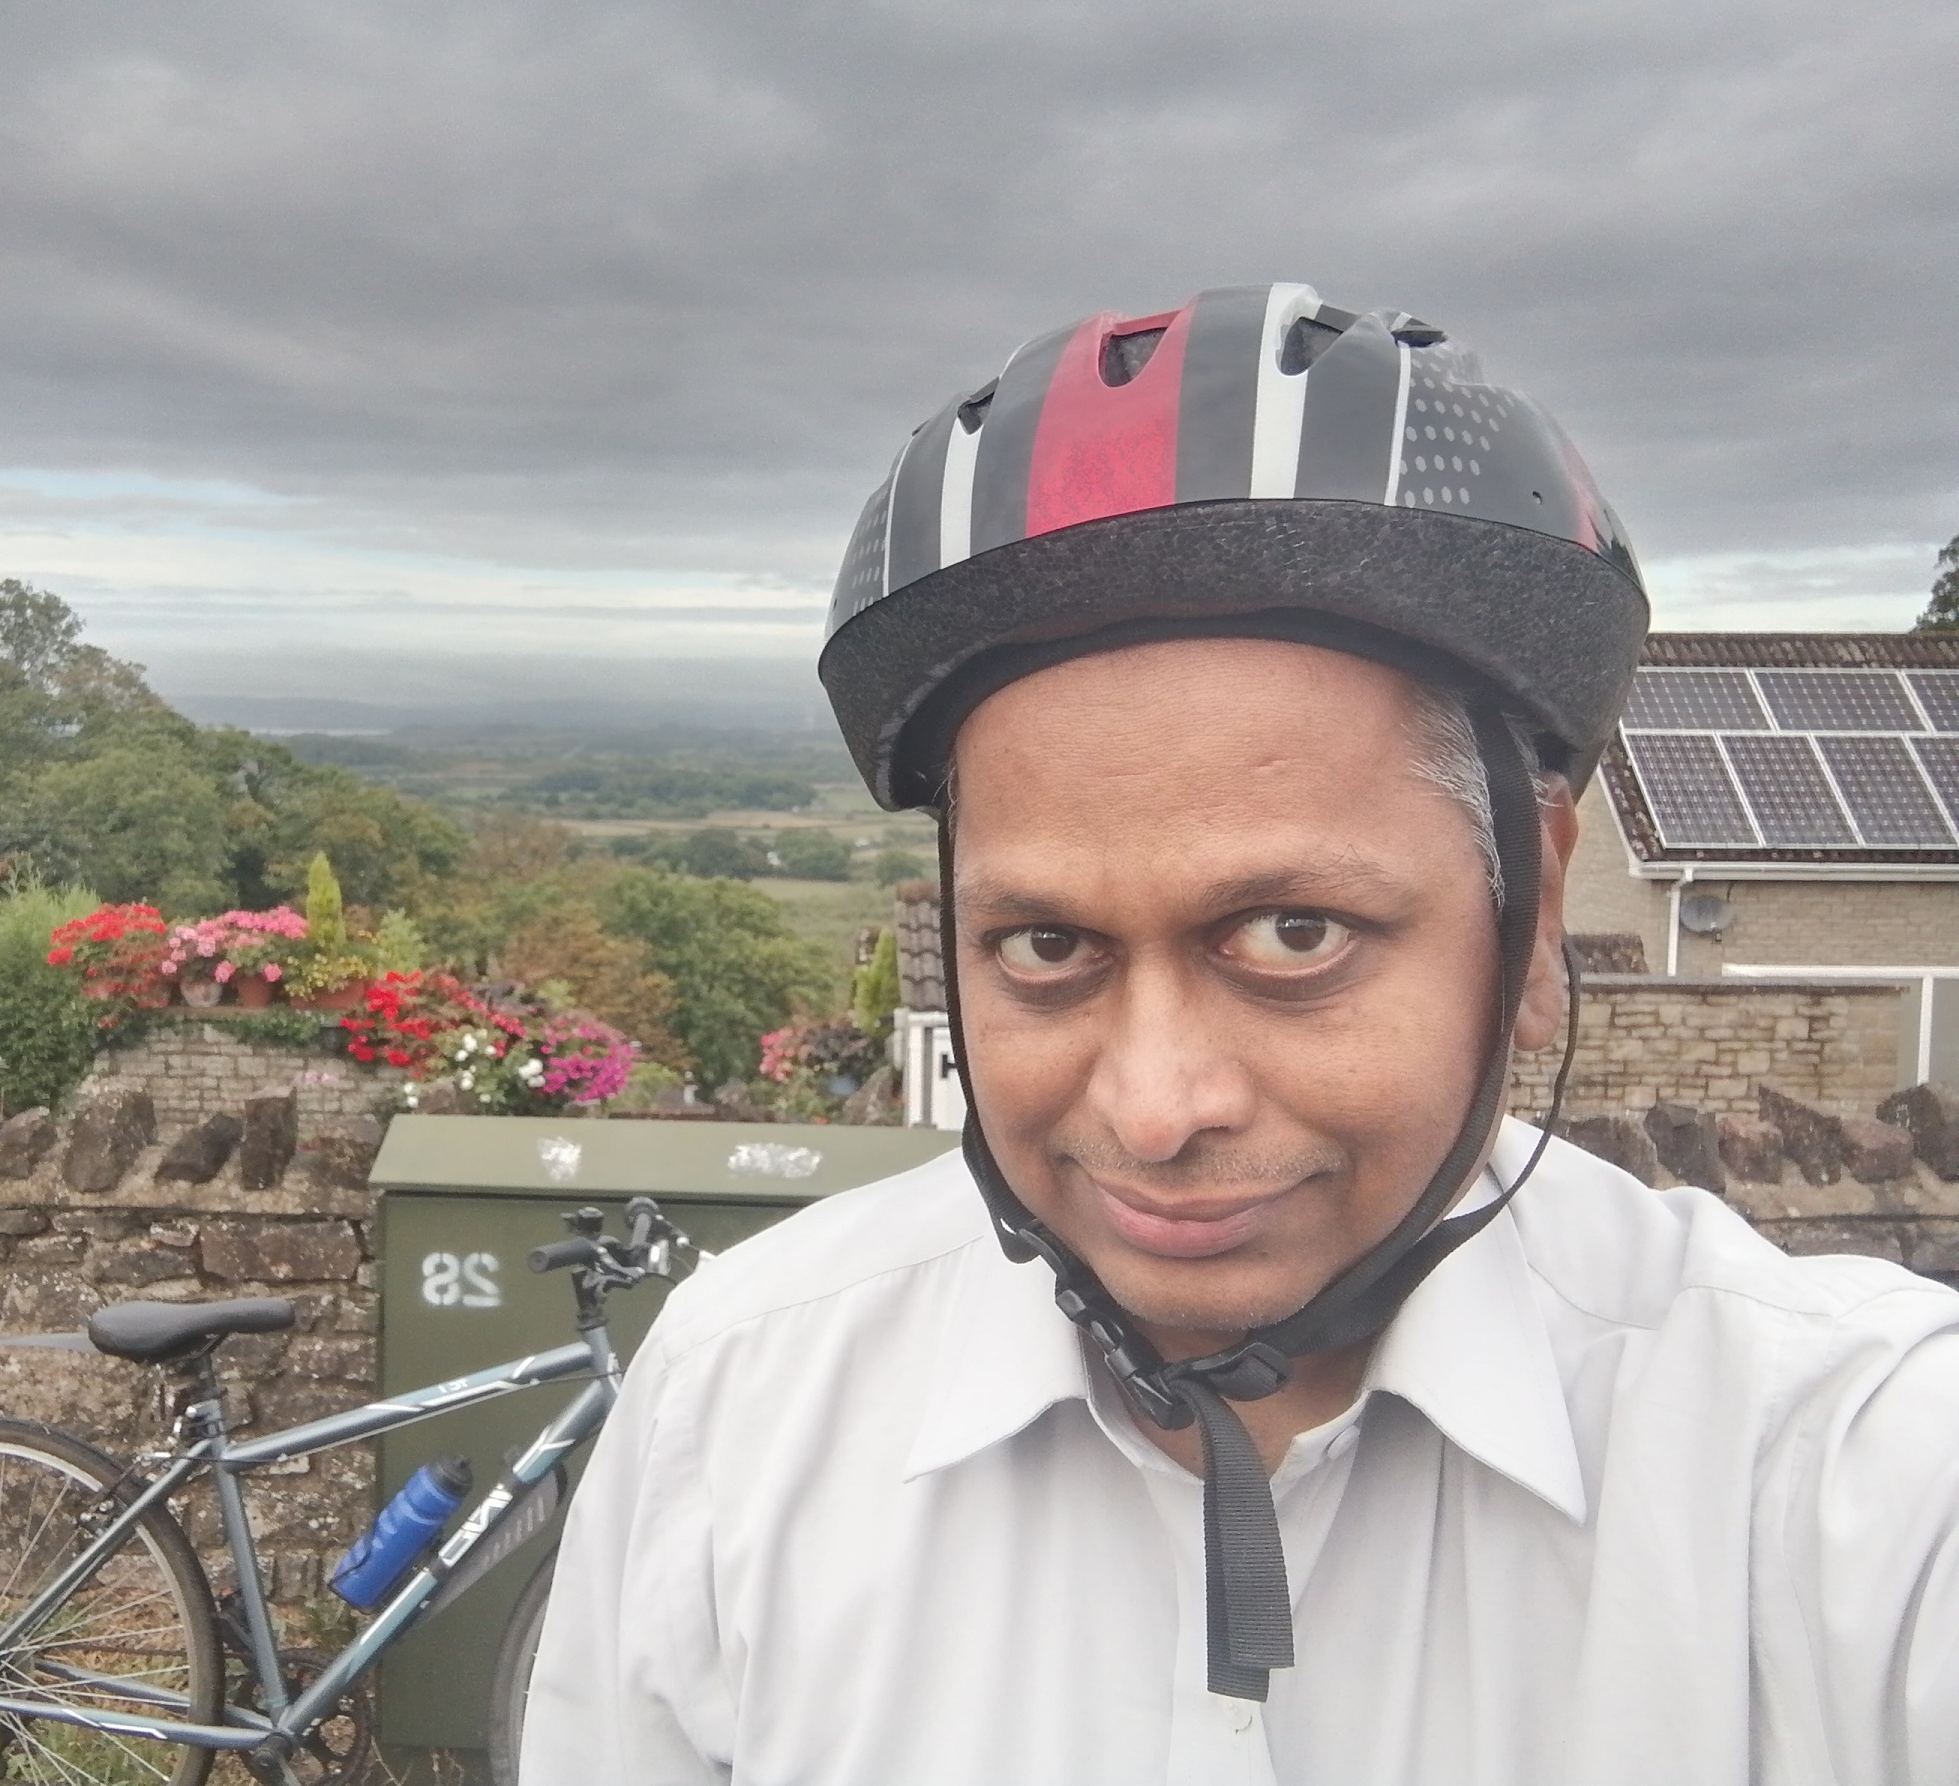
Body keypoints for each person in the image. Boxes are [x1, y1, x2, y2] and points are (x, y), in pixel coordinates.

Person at [517, 285, 1959, 1783]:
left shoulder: (1851, 1483)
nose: (1154, 1111)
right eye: (1048, 946)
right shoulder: (743, 1397)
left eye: (1292, 936)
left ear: (1527, 924)